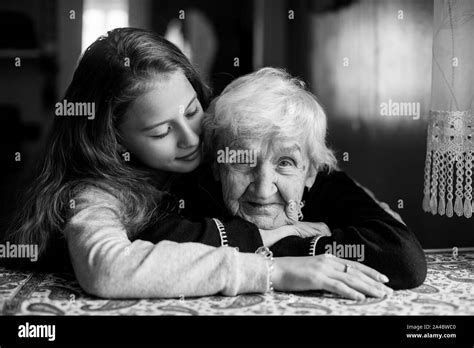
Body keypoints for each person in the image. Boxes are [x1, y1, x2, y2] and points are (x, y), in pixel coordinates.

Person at [3, 28, 398, 300]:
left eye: (192, 110)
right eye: (160, 133)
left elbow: (380, 228)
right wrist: (275, 265)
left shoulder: (217, 141)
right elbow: (107, 269)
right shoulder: (96, 193)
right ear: (114, 137)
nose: (192, 139)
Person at [138, 68, 427, 291]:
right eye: (242, 161)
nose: (263, 190)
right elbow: (152, 238)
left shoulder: (325, 181)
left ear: (311, 170)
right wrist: (280, 241)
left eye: (285, 163)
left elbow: (403, 259)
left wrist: (292, 249)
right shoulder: (196, 183)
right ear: (216, 165)